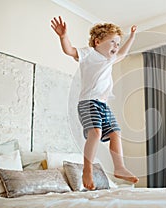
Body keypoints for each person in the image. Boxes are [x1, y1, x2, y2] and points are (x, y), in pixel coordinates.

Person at [50, 16, 139, 190]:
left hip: (103, 104)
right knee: (96, 133)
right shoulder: (89, 53)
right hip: (88, 102)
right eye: (113, 42)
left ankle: (119, 167)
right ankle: (87, 169)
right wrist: (63, 36)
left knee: (115, 133)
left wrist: (132, 38)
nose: (116, 46)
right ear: (97, 42)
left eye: (118, 43)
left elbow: (123, 53)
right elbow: (70, 51)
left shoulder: (110, 59)